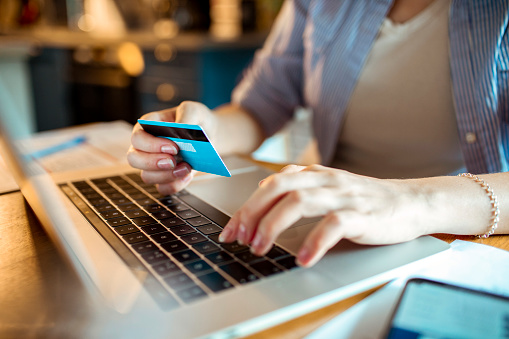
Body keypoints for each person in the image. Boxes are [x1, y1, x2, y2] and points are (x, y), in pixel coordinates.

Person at [128, 0, 509, 267]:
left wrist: (410, 201)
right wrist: (210, 128)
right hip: (331, 224)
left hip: (465, 237)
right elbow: (259, 106)